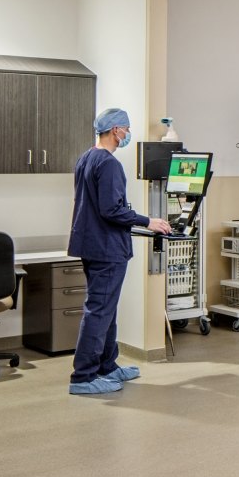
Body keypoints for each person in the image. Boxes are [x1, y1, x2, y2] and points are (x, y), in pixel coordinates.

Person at [67, 108, 172, 395]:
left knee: (106, 310)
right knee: (99, 311)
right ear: (115, 130)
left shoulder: (86, 158)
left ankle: (107, 366)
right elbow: (111, 209)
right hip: (106, 249)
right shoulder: (109, 163)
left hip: (91, 245)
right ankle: (83, 377)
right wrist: (148, 221)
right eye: (125, 129)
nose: (127, 134)